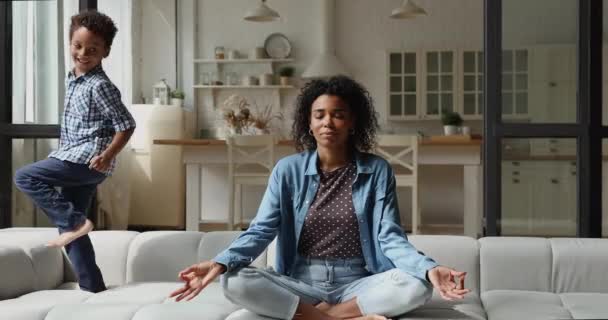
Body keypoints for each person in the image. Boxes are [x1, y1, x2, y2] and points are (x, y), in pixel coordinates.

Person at [170, 76, 469, 319]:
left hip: (359, 282)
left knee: (416, 285)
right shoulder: (287, 170)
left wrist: (429, 268)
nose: (328, 122)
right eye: (320, 115)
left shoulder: (377, 170)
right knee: (235, 280)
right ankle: (337, 318)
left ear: (353, 122)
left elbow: (390, 237)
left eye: (338, 115)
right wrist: (220, 263)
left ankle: (324, 315)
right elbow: (261, 230)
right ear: (309, 123)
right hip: (300, 282)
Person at [14, 10, 136, 293]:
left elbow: (126, 125)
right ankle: (93, 288)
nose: (83, 53)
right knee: (71, 235)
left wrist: (107, 155)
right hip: (77, 157)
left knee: (24, 177)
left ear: (105, 52)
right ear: (69, 43)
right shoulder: (74, 79)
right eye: (77, 46)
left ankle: (75, 221)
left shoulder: (100, 86)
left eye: (93, 49)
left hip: (86, 160)